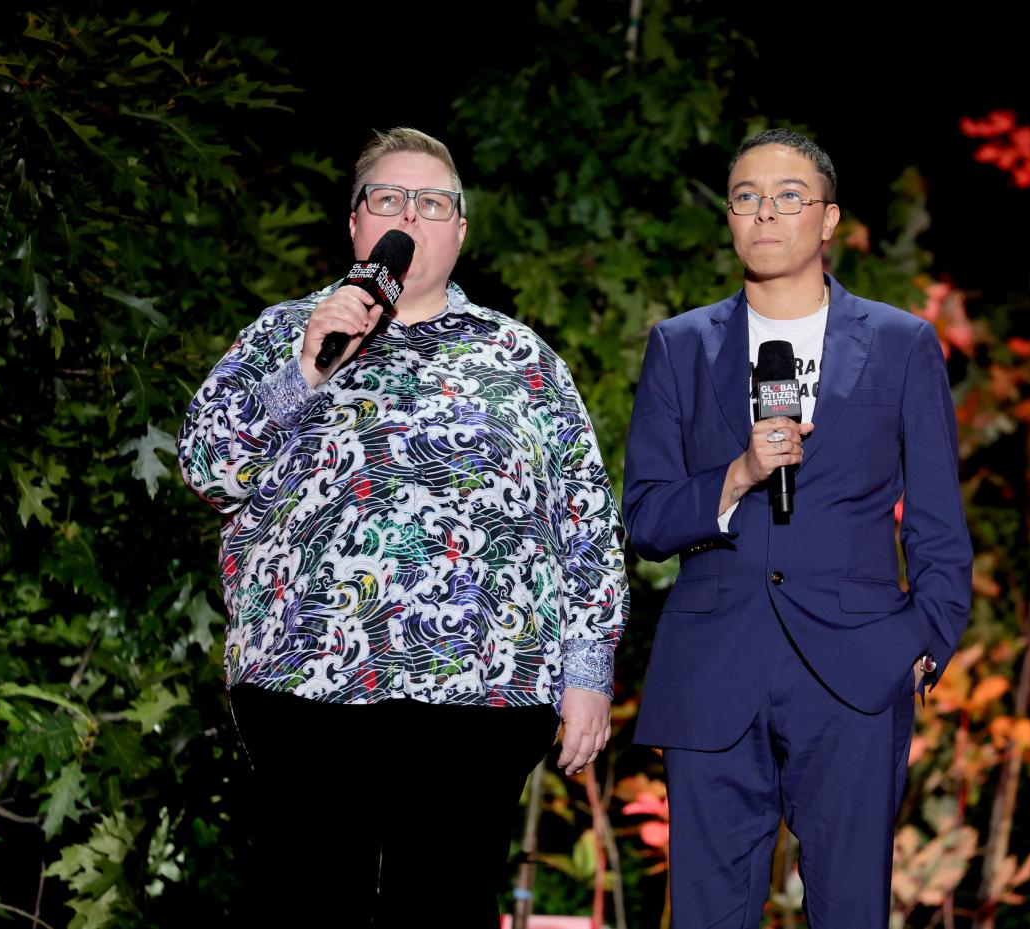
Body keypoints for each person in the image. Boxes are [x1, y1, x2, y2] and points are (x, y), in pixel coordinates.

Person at [177, 127, 627, 927]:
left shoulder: (524, 359)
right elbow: (208, 466)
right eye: (388, 199)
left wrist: (588, 672)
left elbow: (584, 519)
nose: (409, 216)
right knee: (309, 898)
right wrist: (307, 369)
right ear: (356, 224)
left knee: (446, 903)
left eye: (432, 203)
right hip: (304, 679)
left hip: (482, 688)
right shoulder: (286, 332)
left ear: (461, 228)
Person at [622, 129, 972, 927]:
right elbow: (643, 517)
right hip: (713, 665)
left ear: (828, 219)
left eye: (788, 197)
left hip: (856, 668)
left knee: (849, 910)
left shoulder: (900, 342)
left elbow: (939, 521)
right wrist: (737, 476)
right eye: (746, 197)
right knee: (709, 913)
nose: (764, 213)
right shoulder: (681, 346)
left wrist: (927, 636)